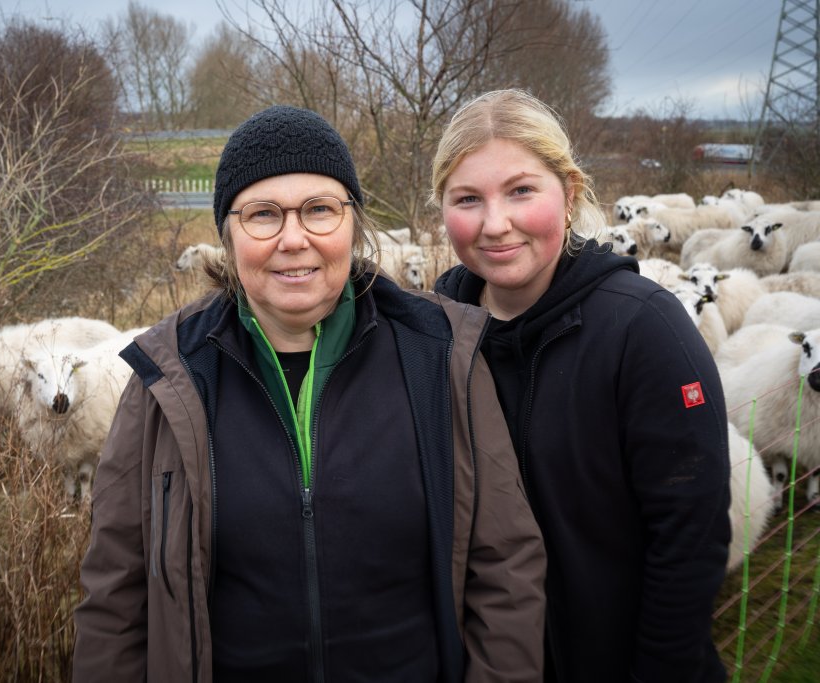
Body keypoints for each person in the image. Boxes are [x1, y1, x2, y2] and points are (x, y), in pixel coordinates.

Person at [72, 104, 546, 682]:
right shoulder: (167, 377)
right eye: (263, 214)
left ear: (353, 222)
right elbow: (115, 601)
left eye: (320, 209)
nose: (293, 239)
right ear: (227, 234)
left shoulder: (442, 356)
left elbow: (506, 573)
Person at [430, 88, 732, 683]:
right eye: (468, 199)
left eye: (521, 190)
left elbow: (689, 540)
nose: (496, 224)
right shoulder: (434, 333)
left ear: (568, 195)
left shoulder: (642, 329)